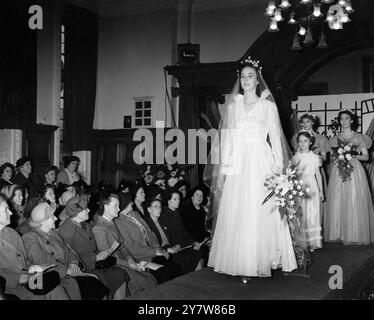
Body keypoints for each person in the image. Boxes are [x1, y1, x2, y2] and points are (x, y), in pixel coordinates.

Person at [204, 58, 297, 281]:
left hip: (259, 159)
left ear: (258, 80)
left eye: (250, 76)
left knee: (258, 208)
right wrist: (225, 167)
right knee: (238, 208)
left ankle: (260, 259)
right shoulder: (233, 106)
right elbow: (229, 138)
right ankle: (240, 261)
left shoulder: (268, 106)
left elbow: (275, 137)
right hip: (239, 160)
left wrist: (278, 168)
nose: (246, 80)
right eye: (243, 77)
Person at [22, 202, 109, 300]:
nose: (56, 218)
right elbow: (43, 261)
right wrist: (66, 270)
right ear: (43, 221)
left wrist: (73, 263)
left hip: (69, 272)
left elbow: (69, 250)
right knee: (93, 283)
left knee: (95, 283)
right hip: (56, 277)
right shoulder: (29, 238)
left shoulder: (53, 233)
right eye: (52, 217)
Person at [58, 196, 129, 299]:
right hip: (82, 269)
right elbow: (69, 258)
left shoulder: (85, 225)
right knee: (100, 280)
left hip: (95, 265)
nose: (89, 210)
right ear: (76, 212)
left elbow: (93, 248)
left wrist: (102, 254)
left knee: (119, 274)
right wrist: (95, 258)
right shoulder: (66, 232)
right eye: (85, 209)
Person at [0, 194, 69, 300]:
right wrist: (19, 278)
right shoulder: (24, 235)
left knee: (57, 289)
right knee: (41, 296)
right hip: (8, 287)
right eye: (6, 210)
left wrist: (32, 267)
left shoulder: (12, 233)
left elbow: (23, 260)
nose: (11, 212)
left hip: (28, 279)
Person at [324, 110, 374, 245]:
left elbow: (366, 156)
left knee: (353, 198)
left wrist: (352, 156)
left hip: (354, 170)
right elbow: (331, 157)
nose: (344, 121)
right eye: (341, 119)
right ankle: (339, 232)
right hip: (339, 170)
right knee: (338, 198)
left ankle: (354, 233)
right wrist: (338, 158)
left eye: (347, 118)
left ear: (352, 121)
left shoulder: (359, 137)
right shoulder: (335, 138)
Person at [92, 194, 158, 295]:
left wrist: (130, 259)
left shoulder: (111, 223)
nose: (118, 209)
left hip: (124, 261)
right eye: (115, 205)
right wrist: (130, 264)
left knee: (150, 278)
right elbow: (108, 258)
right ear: (106, 206)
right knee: (144, 282)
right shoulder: (99, 228)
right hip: (115, 265)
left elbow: (122, 247)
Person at [114, 194, 182, 282]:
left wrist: (157, 246)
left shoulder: (135, 214)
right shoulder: (119, 222)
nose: (132, 203)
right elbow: (131, 247)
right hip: (142, 256)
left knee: (176, 268)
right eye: (129, 202)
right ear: (125, 204)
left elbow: (150, 232)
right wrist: (154, 252)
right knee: (167, 272)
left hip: (153, 251)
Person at [145, 198, 203, 274]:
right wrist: (166, 249)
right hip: (161, 253)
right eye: (156, 207)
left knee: (197, 255)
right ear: (149, 209)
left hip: (171, 248)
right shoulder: (147, 225)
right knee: (191, 257)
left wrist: (177, 245)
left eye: (160, 207)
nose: (159, 209)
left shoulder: (161, 221)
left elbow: (171, 237)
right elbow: (151, 245)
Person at [291, 113, 330, 222]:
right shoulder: (299, 137)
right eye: (303, 122)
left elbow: (324, 158)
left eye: (307, 121)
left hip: (314, 169)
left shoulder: (321, 138)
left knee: (314, 201)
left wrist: (314, 155)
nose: (305, 124)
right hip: (302, 170)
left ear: (312, 122)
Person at [292, 130, 324, 251]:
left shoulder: (315, 157)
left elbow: (318, 175)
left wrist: (321, 191)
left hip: (311, 185)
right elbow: (293, 174)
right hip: (299, 186)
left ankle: (313, 241)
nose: (302, 143)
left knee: (312, 212)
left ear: (310, 142)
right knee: (301, 213)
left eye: (305, 141)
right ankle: (302, 240)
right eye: (300, 141)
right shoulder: (295, 158)